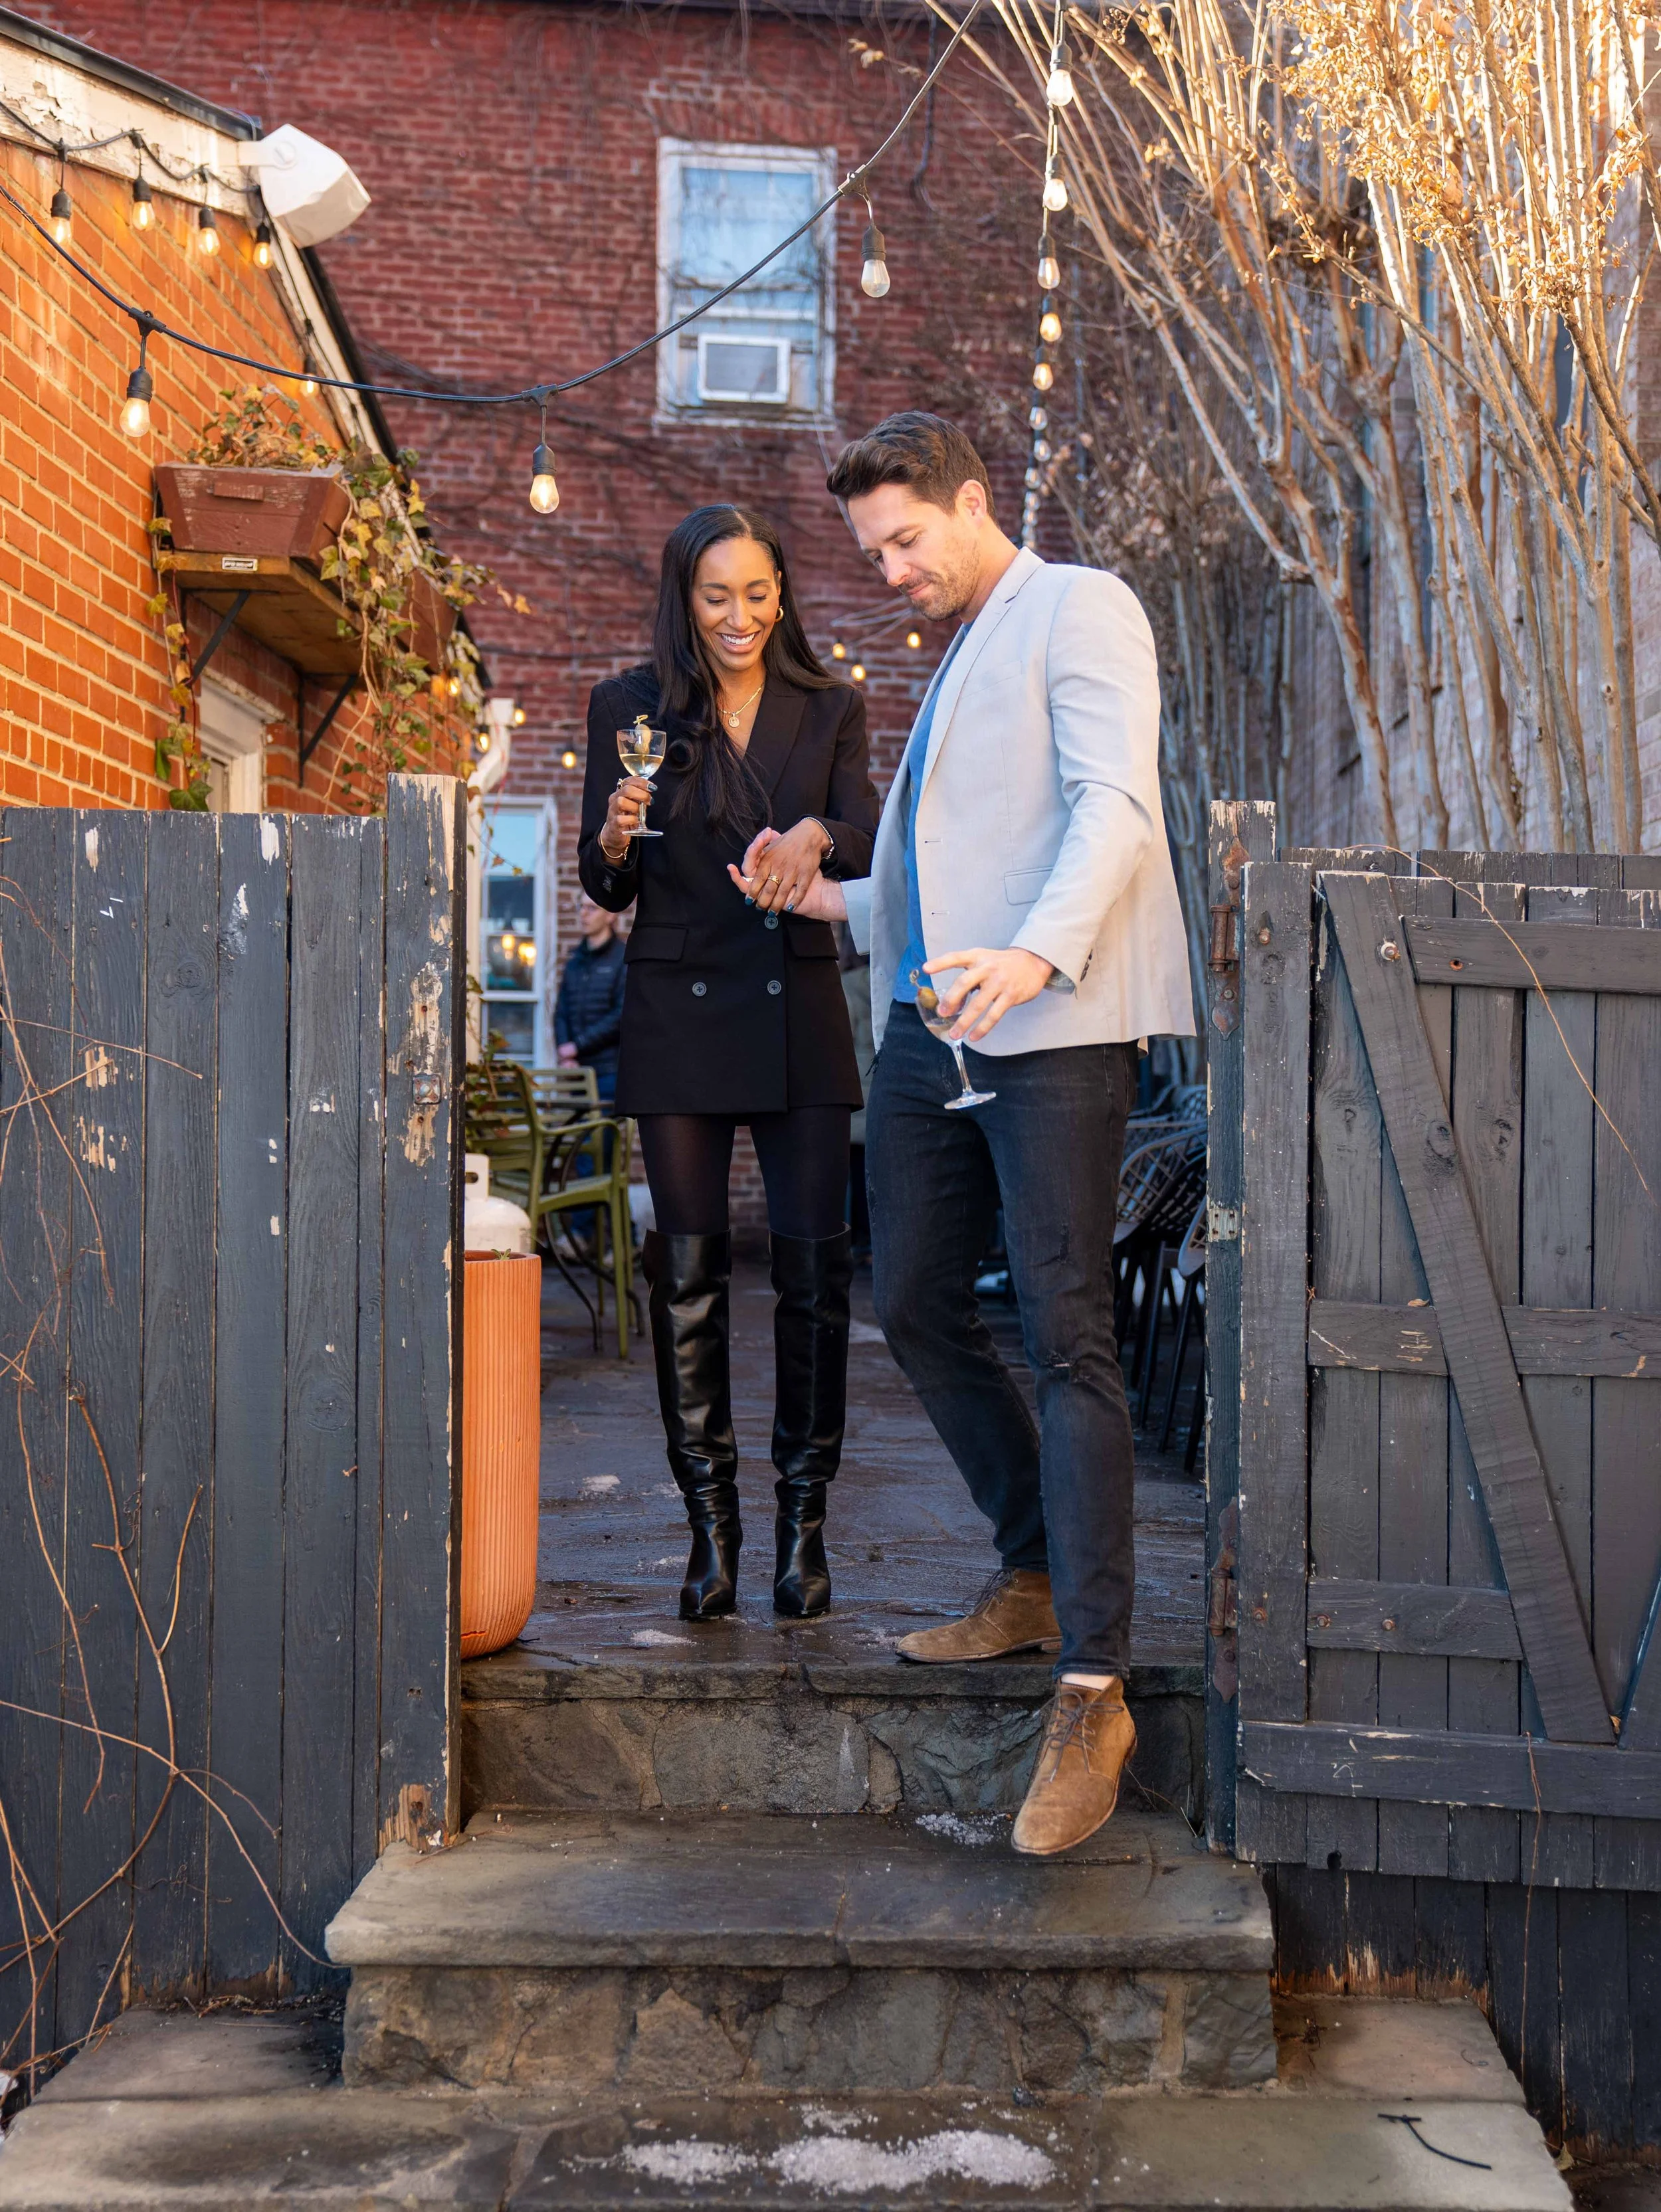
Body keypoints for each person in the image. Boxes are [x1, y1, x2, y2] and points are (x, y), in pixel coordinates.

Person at [733, 414, 1194, 1855]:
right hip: (933, 1033)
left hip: (1047, 1021)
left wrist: (1037, 960)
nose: (887, 570)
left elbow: (1113, 812)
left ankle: (1092, 1687)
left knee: (1067, 1334)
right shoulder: (948, 670)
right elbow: (941, 879)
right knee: (920, 1298)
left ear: (974, 503)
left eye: (903, 540)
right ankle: (1031, 1566)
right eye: (869, 550)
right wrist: (826, 907)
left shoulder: (1077, 608)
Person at [579, 505, 878, 1625]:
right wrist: (615, 835)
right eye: (717, 596)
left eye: (758, 593)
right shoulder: (629, 706)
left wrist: (816, 841)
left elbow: (864, 828)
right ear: (683, 597)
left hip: (797, 999)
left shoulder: (832, 704)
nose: (741, 616)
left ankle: (803, 1530)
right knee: (688, 1280)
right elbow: (607, 884)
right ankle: (711, 1531)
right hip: (678, 1002)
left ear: (782, 594)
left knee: (814, 1279)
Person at [553, 896, 627, 1101]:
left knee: (599, 1133)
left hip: (609, 1070)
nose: (583, 914)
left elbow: (620, 1016)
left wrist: (577, 1046)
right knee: (579, 1131)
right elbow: (562, 1012)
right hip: (578, 1070)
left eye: (592, 908)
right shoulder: (575, 960)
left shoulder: (623, 959)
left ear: (611, 915)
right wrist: (565, 1051)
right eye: (582, 907)